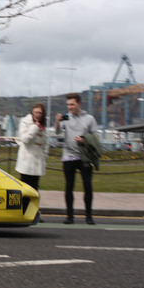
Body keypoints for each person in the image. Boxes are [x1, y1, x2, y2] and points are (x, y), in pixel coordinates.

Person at [54, 92, 98, 225]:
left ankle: (88, 216)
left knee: (87, 186)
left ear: (79, 104)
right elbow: (57, 132)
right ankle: (69, 216)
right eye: (68, 104)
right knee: (69, 186)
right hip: (68, 155)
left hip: (84, 156)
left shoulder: (89, 118)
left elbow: (95, 137)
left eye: (72, 104)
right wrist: (57, 121)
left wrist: (84, 140)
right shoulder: (66, 117)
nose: (70, 107)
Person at [15, 103, 48, 192]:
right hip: (27, 163)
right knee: (25, 189)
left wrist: (44, 156)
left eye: (40, 113)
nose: (38, 115)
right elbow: (25, 139)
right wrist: (34, 127)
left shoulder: (43, 125)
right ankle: (24, 206)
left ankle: (33, 206)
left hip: (37, 164)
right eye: (36, 112)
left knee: (35, 189)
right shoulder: (25, 122)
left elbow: (45, 143)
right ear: (32, 113)